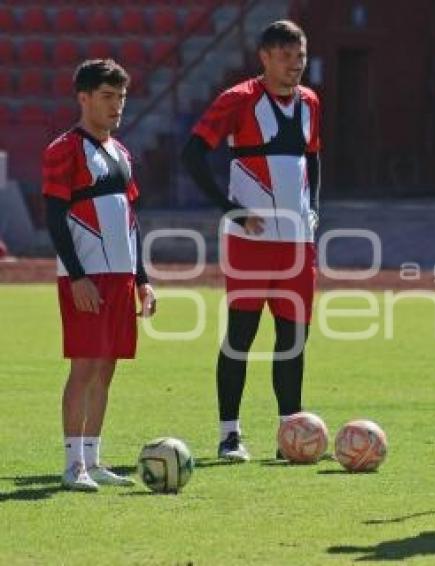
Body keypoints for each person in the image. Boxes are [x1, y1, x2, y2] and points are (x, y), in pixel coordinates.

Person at [181, 20, 321, 462]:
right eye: (285, 57)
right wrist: (231, 209)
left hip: (298, 244)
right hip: (249, 243)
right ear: (264, 57)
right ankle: (229, 435)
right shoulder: (238, 99)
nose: (295, 65)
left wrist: (314, 209)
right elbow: (193, 154)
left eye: (300, 57)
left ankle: (290, 435)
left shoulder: (311, 103)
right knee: (241, 335)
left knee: (293, 338)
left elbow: (313, 159)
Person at [42, 59, 157, 491]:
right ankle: (72, 464)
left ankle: (92, 458)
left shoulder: (121, 152)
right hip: (87, 276)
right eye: (107, 97)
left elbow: (131, 219)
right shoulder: (64, 149)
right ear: (84, 98)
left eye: (121, 98)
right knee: (84, 367)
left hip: (120, 275)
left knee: (107, 368)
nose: (116, 106)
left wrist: (143, 279)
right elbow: (54, 218)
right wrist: (76, 277)